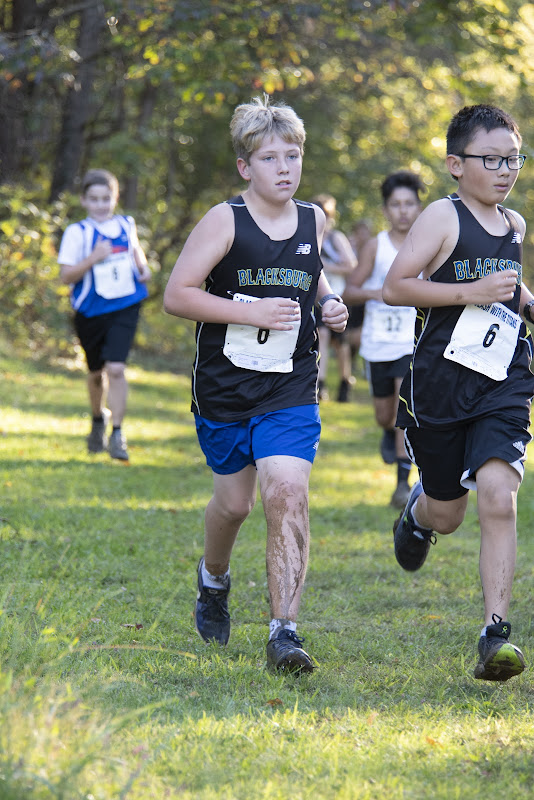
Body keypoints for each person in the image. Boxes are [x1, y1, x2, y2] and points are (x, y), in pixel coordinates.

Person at [163, 95, 348, 673]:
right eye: (270, 157)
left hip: (290, 386)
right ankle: (213, 578)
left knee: (287, 490)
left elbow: (311, 274)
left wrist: (331, 301)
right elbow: (178, 296)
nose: (285, 167)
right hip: (225, 391)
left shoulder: (314, 218)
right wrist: (251, 313)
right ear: (246, 166)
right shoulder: (225, 220)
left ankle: (284, 632)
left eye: (292, 155)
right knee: (234, 505)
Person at [382, 104, 534, 682]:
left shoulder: (513, 225)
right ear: (455, 164)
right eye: (491, 159)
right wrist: (470, 291)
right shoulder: (441, 220)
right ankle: (418, 517)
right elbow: (397, 286)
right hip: (441, 387)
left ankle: (495, 632)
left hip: (503, 380)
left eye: (513, 158)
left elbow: (508, 285)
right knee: (449, 513)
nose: (505, 170)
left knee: (499, 493)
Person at [58, 168, 151, 461]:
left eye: (106, 198)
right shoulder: (78, 233)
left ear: (115, 198)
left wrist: (143, 268)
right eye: (94, 199)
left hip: (125, 305)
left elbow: (136, 252)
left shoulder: (126, 224)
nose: (101, 204)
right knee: (96, 373)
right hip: (90, 311)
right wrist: (93, 258)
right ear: (84, 200)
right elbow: (66, 276)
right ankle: (98, 419)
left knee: (117, 369)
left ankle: (118, 433)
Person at [344, 171, 424, 509]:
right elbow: (348, 291)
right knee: (385, 415)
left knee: (404, 411)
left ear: (420, 208)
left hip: (412, 343)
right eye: (396, 205)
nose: (403, 211)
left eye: (409, 204)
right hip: (379, 342)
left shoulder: (428, 242)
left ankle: (401, 485)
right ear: (386, 209)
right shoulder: (376, 246)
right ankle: (387, 434)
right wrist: (381, 292)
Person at [311, 194, 357, 402]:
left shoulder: (335, 238)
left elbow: (351, 265)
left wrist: (326, 266)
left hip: (337, 295)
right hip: (317, 298)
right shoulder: (309, 235)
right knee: (322, 335)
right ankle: (320, 384)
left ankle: (345, 380)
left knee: (341, 343)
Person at [346, 219, 372, 377]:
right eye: (359, 232)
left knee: (362, 334)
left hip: (368, 298)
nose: (362, 235)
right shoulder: (351, 250)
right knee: (353, 335)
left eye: (365, 232)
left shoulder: (373, 249)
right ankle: (352, 362)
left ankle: (363, 363)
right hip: (354, 296)